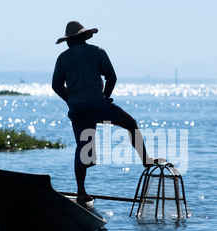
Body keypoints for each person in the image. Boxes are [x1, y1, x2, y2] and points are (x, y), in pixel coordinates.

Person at [52, 21, 164, 202]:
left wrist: (70, 100)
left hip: (78, 110)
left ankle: (81, 192)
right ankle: (145, 159)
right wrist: (105, 97)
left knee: (83, 149)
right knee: (130, 124)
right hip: (98, 105)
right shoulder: (98, 52)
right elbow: (112, 78)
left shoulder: (63, 58)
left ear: (71, 40)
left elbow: (56, 86)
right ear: (83, 37)